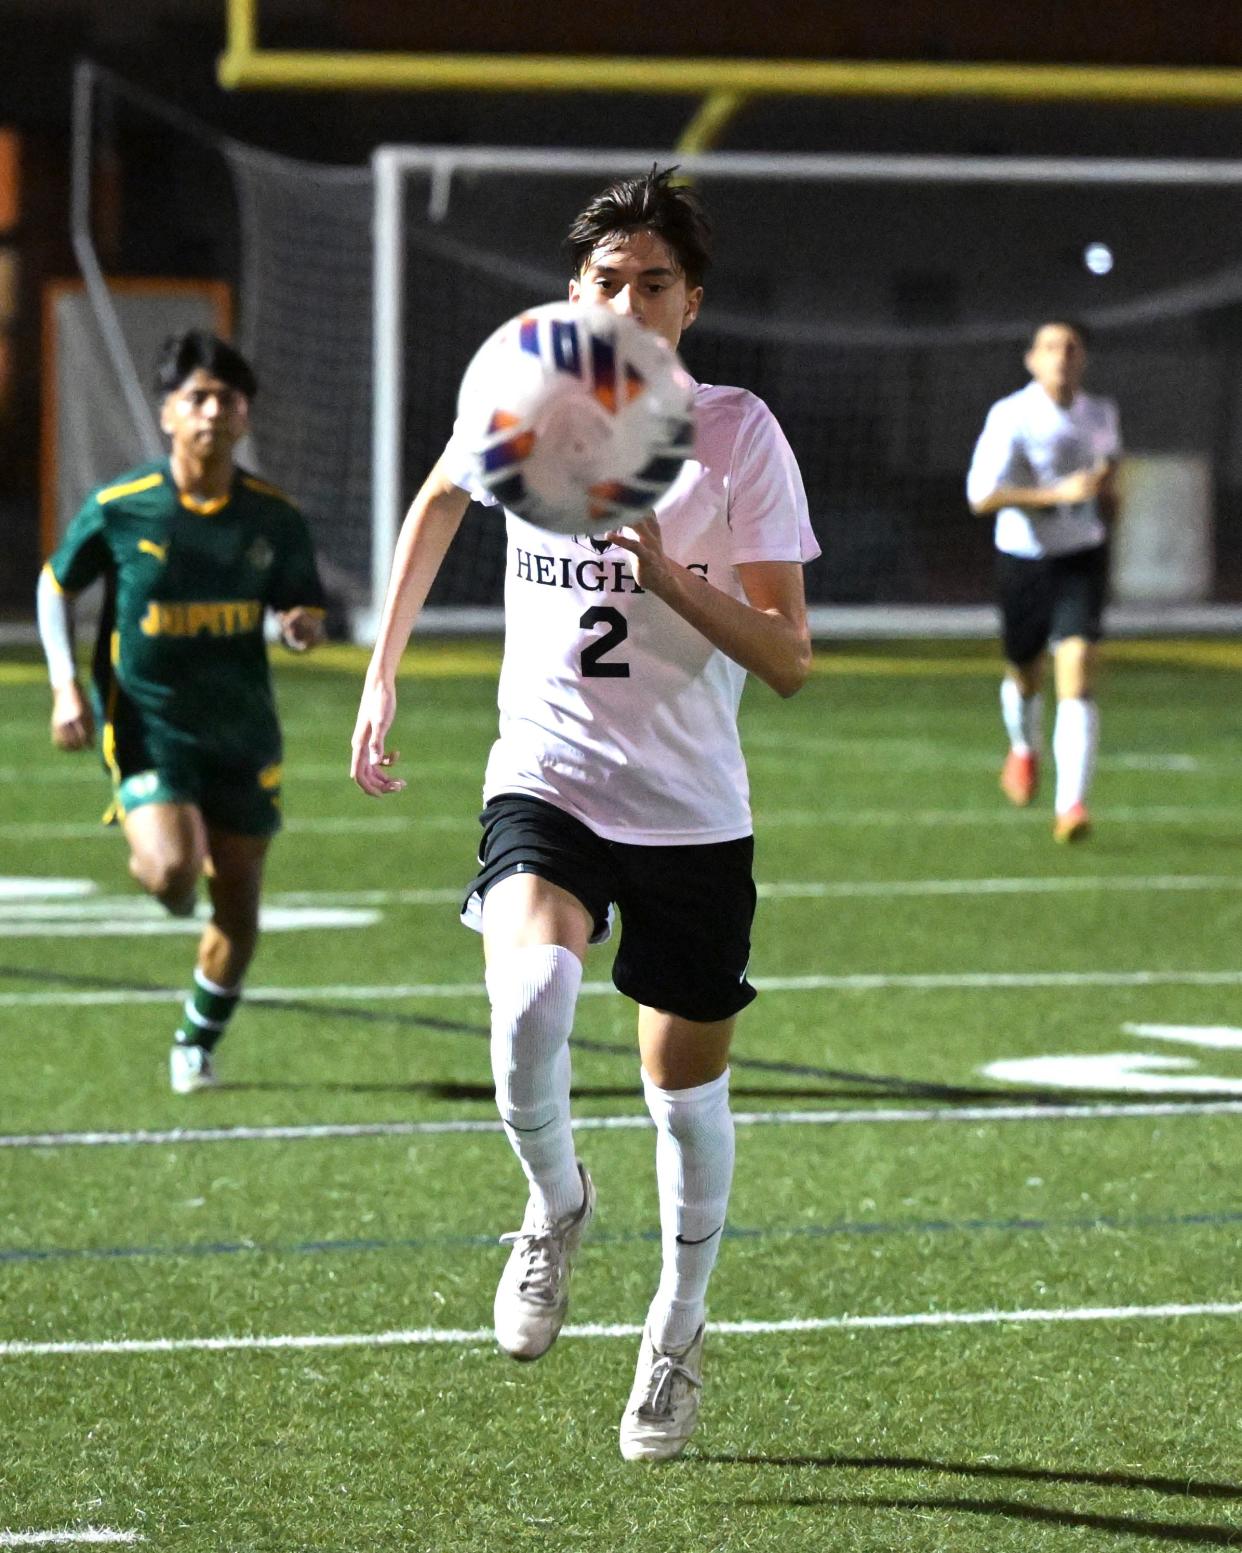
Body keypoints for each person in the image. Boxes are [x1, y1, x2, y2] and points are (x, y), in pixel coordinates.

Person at [351, 168, 818, 1461]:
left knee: (682, 1093)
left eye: (653, 283)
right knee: (526, 1001)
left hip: (687, 813)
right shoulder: (522, 397)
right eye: (605, 280)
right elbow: (442, 497)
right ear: (574, 293)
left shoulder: (734, 437)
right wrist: (382, 668)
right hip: (546, 780)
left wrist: (668, 574)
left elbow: (786, 656)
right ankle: (553, 1204)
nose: (626, 301)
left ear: (691, 302)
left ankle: (675, 1325)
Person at [36, 330, 326, 1092]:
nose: (212, 411)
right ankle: (165, 843)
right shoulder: (123, 507)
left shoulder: (274, 518)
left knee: (238, 903)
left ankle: (196, 1039)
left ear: (246, 416)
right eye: (196, 397)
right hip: (149, 729)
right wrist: (67, 684)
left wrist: (301, 626)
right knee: (170, 876)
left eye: (227, 399)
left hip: (242, 733)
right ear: (169, 413)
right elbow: (55, 583)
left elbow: (304, 606)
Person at [966, 319, 1122, 842]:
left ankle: (1072, 806)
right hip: (1023, 561)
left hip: (1082, 559)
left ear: (1084, 359)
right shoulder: (1011, 416)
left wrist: (1108, 501)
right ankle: (1023, 749)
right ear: (1032, 359)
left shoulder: (1101, 414)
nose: (1062, 355)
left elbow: (1108, 475)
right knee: (1025, 673)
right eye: (1051, 346)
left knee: (1076, 671)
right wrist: (1055, 495)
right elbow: (981, 496)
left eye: (1072, 347)